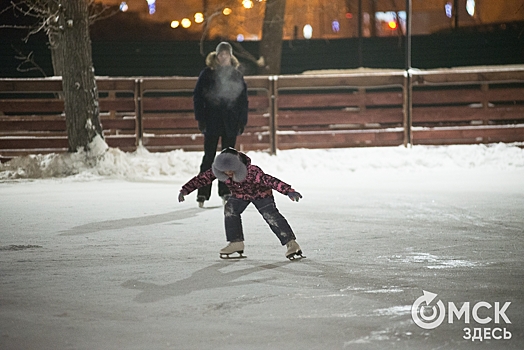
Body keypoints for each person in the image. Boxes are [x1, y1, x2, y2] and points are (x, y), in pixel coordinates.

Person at [178, 148, 304, 260]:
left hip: (261, 195)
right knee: (230, 209)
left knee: (270, 215)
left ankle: (291, 243)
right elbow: (201, 179)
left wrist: (288, 191)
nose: (227, 173)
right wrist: (185, 190)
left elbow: (271, 181)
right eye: (224, 170)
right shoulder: (218, 170)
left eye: (230, 170)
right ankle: (236, 242)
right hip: (240, 196)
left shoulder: (252, 172)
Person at [193, 42, 248, 207]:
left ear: (230, 55)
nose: (223, 57)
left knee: (228, 159)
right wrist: (201, 118)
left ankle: (226, 191)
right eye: (221, 54)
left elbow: (242, 100)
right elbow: (198, 97)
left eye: (226, 54)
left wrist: (241, 121)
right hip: (211, 121)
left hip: (230, 122)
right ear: (216, 56)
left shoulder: (236, 75)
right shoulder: (208, 74)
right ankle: (203, 192)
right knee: (208, 157)